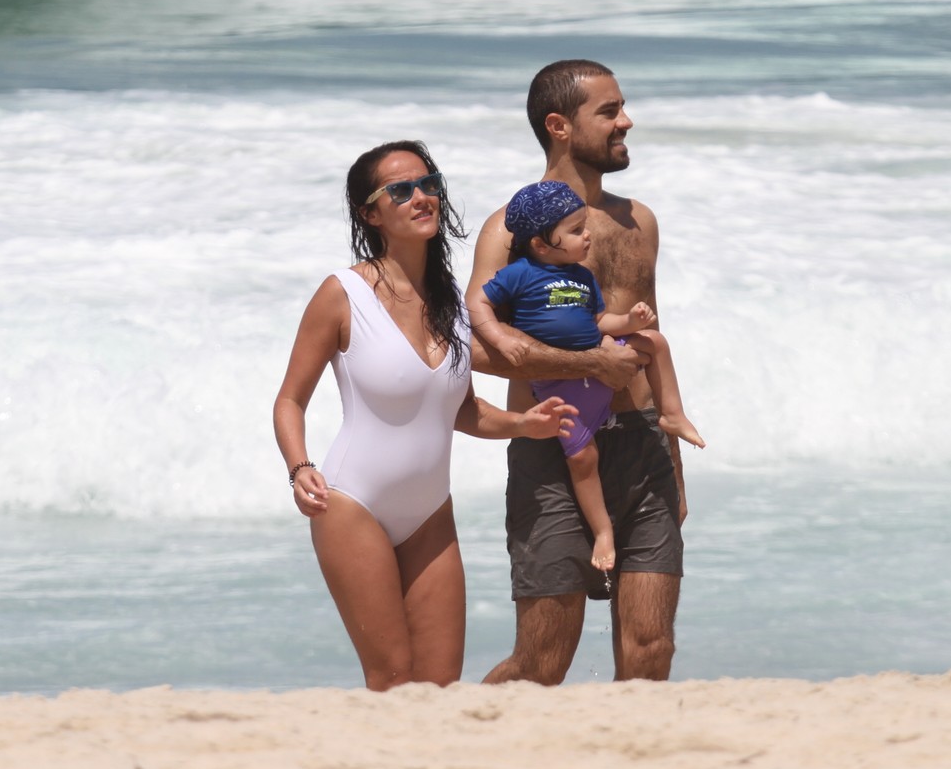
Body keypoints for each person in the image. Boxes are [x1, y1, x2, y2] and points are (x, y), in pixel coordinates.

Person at [272, 140, 577, 692]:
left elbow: (458, 410)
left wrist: (524, 425)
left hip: (430, 512)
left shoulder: (454, 305)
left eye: (429, 184)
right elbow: (289, 399)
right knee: (391, 676)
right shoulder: (342, 295)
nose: (422, 197)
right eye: (401, 190)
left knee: (439, 684)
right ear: (371, 213)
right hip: (350, 502)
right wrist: (299, 469)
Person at [468, 59, 690, 685]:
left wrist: (672, 453)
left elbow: (646, 340)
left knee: (650, 650)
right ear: (560, 126)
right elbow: (478, 347)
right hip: (553, 444)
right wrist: (589, 361)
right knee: (542, 660)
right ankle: (464, 738)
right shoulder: (511, 229)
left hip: (643, 444)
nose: (627, 121)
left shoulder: (637, 221)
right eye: (610, 111)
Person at [468, 178, 704, 577]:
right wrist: (495, 335)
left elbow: (599, 320)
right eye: (576, 230)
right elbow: (476, 304)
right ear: (542, 244)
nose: (587, 235)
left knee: (655, 342)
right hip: (562, 393)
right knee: (584, 458)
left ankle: (672, 414)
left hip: (611, 392)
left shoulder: (580, 276)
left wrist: (629, 321)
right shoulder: (521, 274)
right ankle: (603, 532)